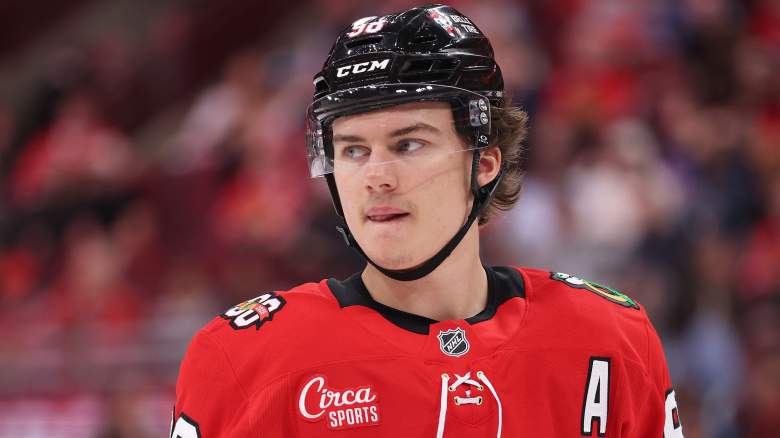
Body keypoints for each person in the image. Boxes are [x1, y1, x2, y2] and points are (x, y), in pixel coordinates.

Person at [172, 4, 684, 437]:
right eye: (353, 150)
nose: (376, 177)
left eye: (409, 144)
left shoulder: (609, 339)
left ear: (485, 162)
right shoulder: (244, 360)